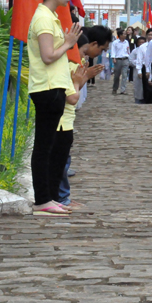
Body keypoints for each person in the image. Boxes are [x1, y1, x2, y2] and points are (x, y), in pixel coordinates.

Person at [26, 0, 83, 216]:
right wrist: (68, 43)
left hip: (54, 87)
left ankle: (48, 197)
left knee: (48, 147)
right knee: (43, 148)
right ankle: (42, 200)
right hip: (47, 88)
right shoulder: (43, 19)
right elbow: (48, 56)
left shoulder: (50, 16)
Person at [56, 27, 110, 209]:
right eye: (83, 52)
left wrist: (85, 77)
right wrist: (81, 80)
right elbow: (72, 97)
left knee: (64, 161)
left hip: (66, 120)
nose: (85, 56)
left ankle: (64, 197)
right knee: (60, 163)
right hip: (62, 120)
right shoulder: (70, 65)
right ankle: (61, 198)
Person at [135, 29, 152, 104]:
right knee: (146, 85)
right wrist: (139, 71)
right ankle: (147, 101)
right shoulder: (142, 47)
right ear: (146, 36)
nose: (150, 36)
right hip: (145, 67)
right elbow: (139, 59)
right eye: (149, 35)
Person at [110, 28, 130, 95]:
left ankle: (123, 90)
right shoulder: (115, 43)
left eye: (125, 34)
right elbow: (113, 50)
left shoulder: (126, 42)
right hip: (118, 60)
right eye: (123, 34)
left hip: (125, 59)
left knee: (124, 75)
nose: (125, 35)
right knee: (117, 76)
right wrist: (113, 58)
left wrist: (129, 58)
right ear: (120, 35)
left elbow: (128, 51)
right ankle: (115, 88)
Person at [129, 36, 147, 104]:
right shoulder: (135, 51)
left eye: (143, 42)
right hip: (137, 69)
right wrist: (138, 63)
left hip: (146, 68)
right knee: (138, 85)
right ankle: (138, 99)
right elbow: (130, 60)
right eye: (140, 42)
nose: (142, 44)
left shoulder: (147, 50)